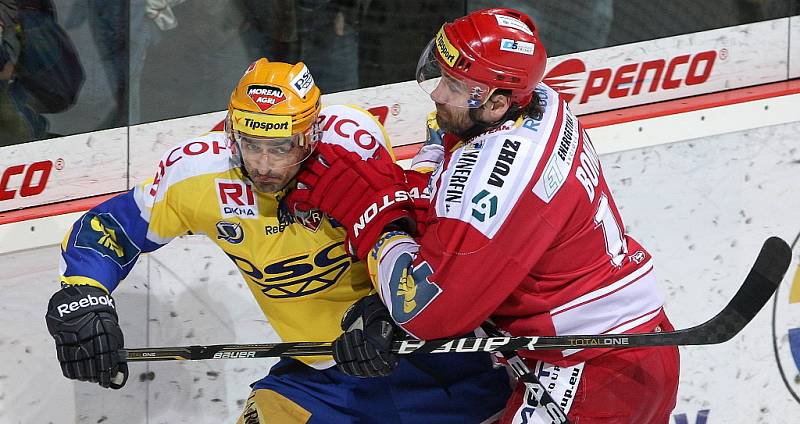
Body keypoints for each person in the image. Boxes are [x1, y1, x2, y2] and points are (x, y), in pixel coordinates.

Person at [44, 57, 511, 423]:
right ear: (232, 131)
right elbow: (111, 229)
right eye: (251, 145)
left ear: (310, 134)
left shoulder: (350, 145)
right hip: (324, 375)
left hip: (426, 353)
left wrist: (388, 312)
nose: (264, 165)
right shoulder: (197, 174)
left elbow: (421, 224)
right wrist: (83, 295)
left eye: (281, 147)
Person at [287, 8, 680, 424]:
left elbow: (424, 313)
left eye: (454, 85)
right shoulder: (540, 99)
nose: (438, 94)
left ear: (495, 103)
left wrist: (382, 223)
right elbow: (456, 186)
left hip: (589, 371)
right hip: (632, 347)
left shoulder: (495, 178)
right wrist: (426, 171)